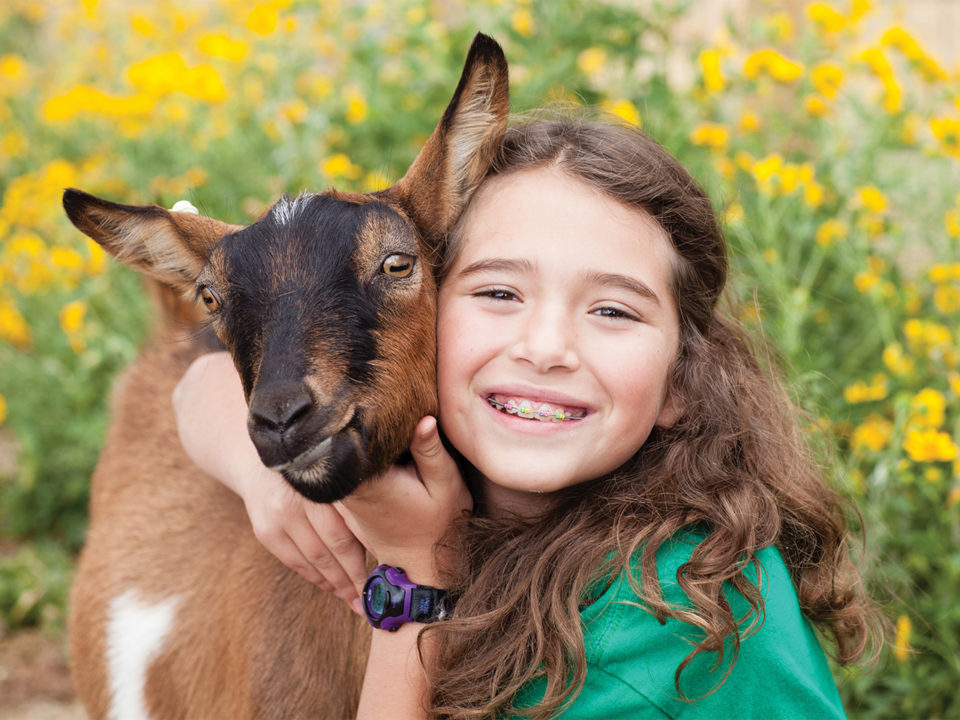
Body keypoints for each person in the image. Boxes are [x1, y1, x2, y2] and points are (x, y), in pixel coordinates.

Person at [173, 113, 880, 718]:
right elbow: (196, 383)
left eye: (613, 310)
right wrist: (252, 460)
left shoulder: (671, 634)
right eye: (500, 293)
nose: (545, 349)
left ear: (682, 383)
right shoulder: (486, 514)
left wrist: (415, 577)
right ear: (425, 318)